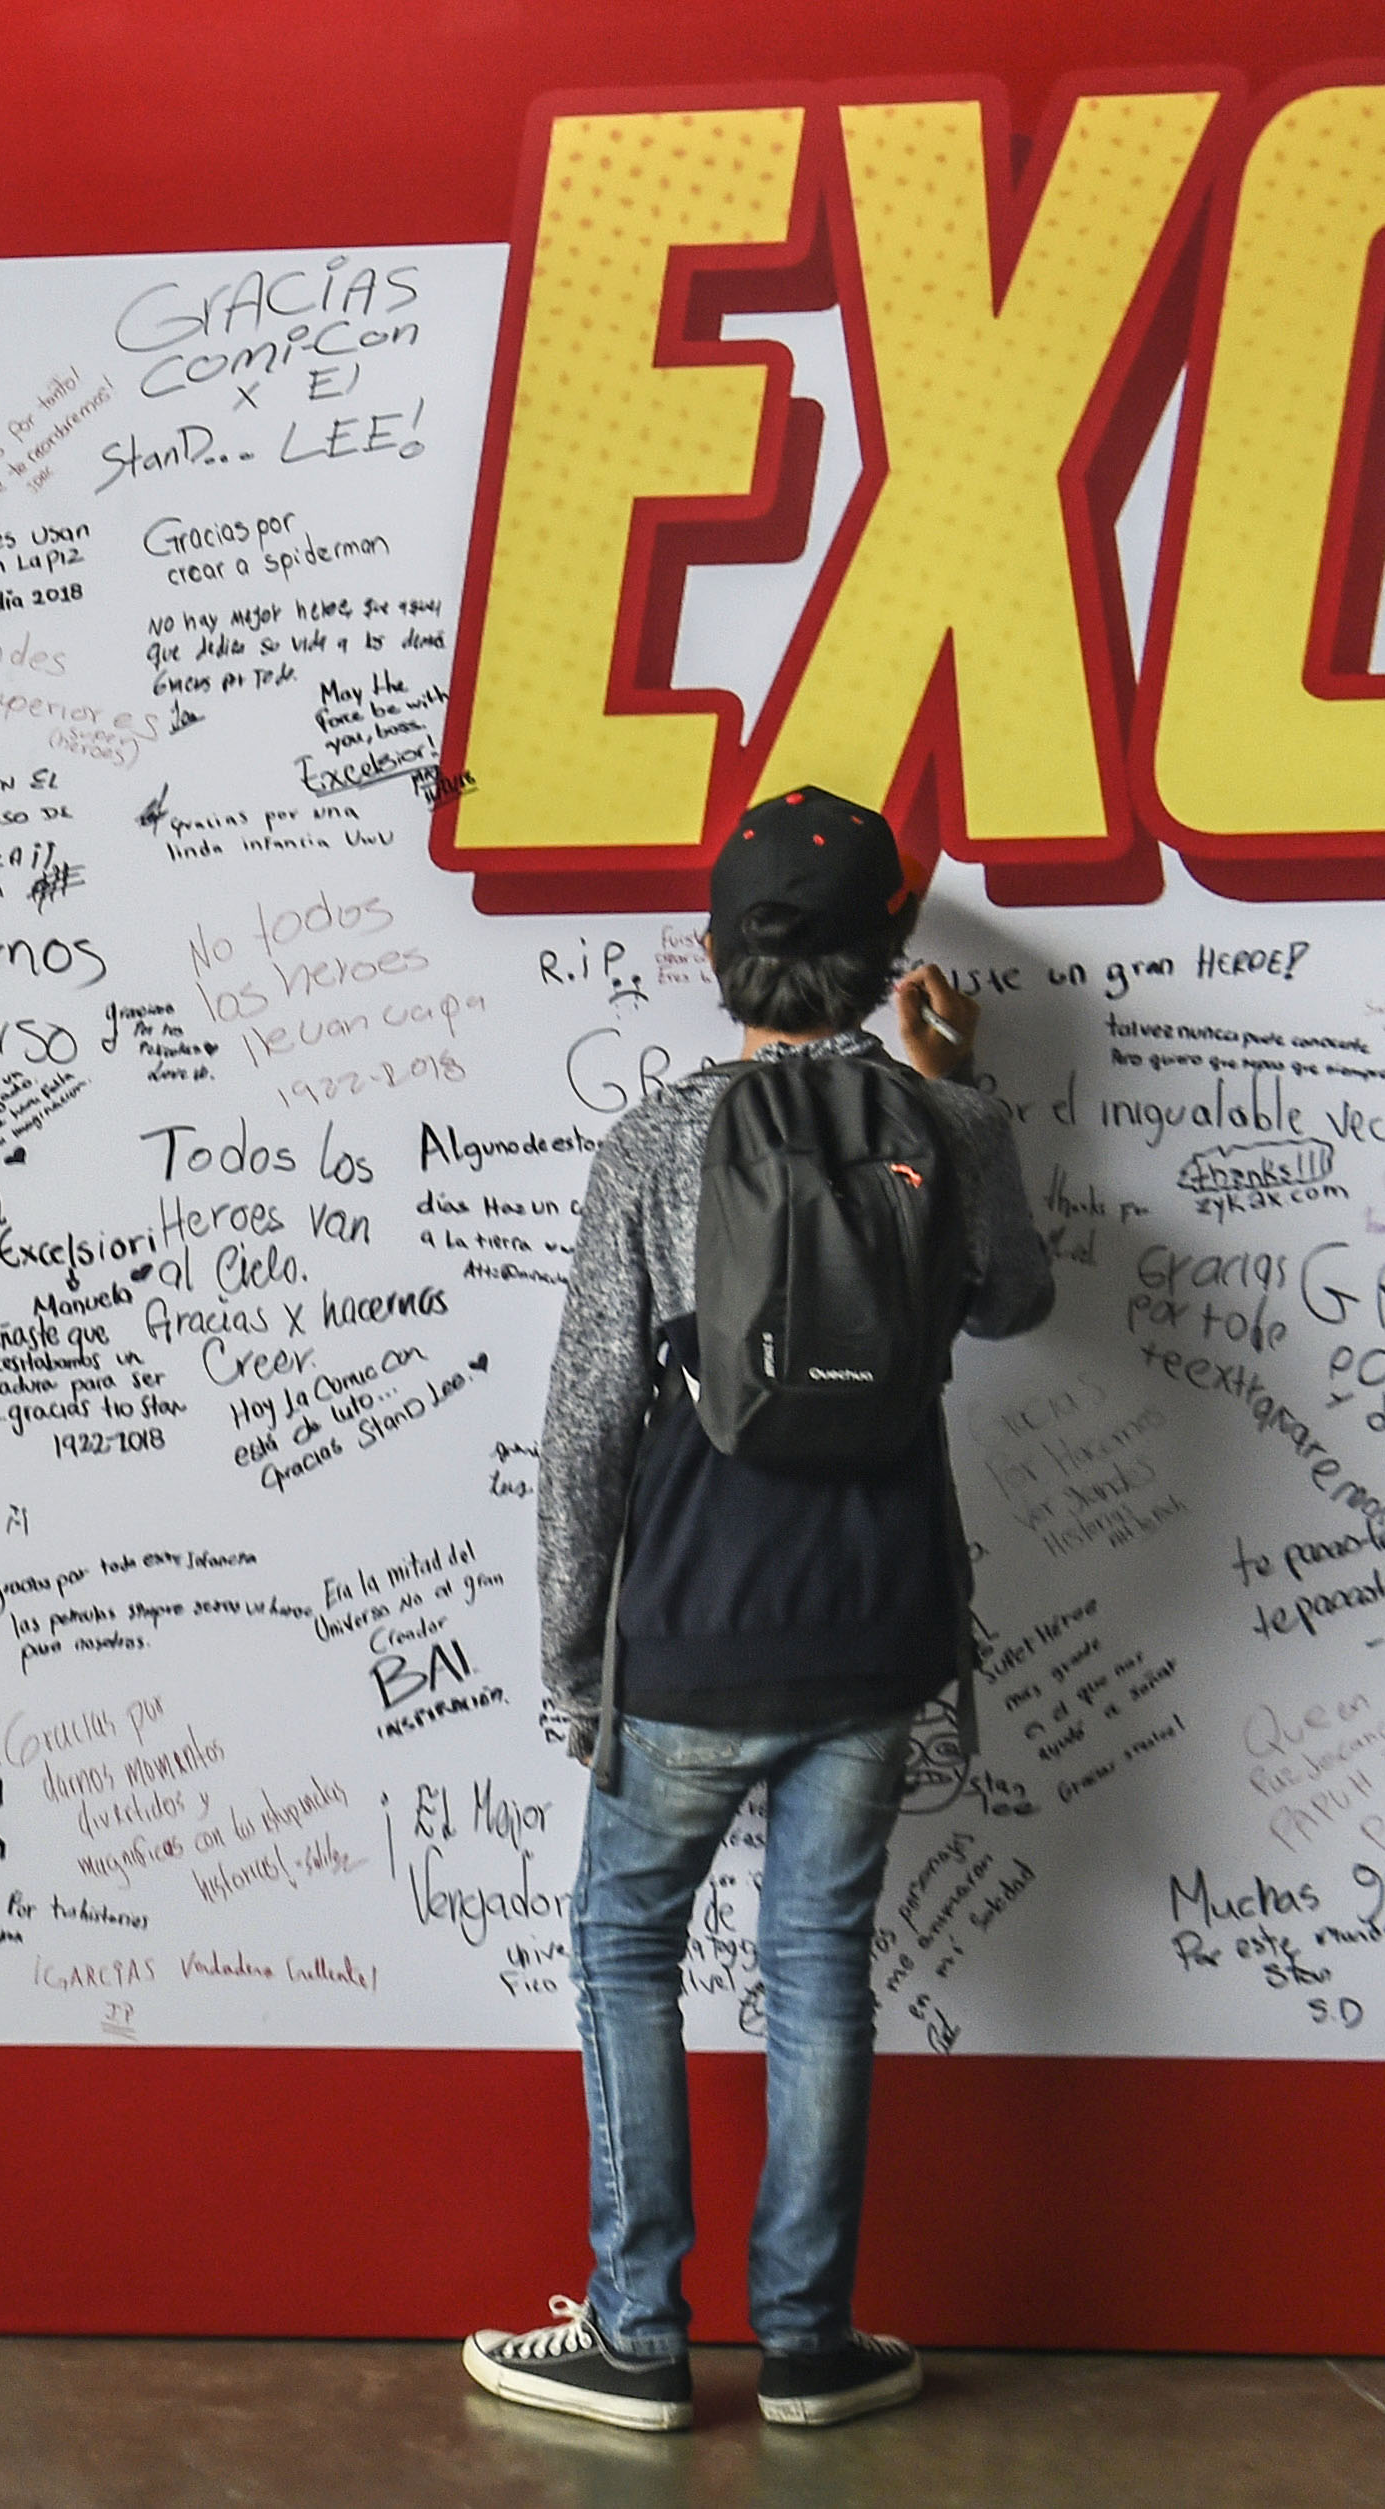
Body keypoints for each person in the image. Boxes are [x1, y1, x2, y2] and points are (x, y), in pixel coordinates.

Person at [463, 787, 1053, 2433]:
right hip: (874, 1624)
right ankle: (805, 2338)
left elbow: (585, 1415)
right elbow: (1013, 1298)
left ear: (710, 950)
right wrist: (950, 1098)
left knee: (619, 1943)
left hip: (690, 1624)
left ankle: (635, 2334)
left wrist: (572, 1666)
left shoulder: (656, 1137)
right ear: (886, 960)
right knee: (815, 1966)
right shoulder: (943, 1130)